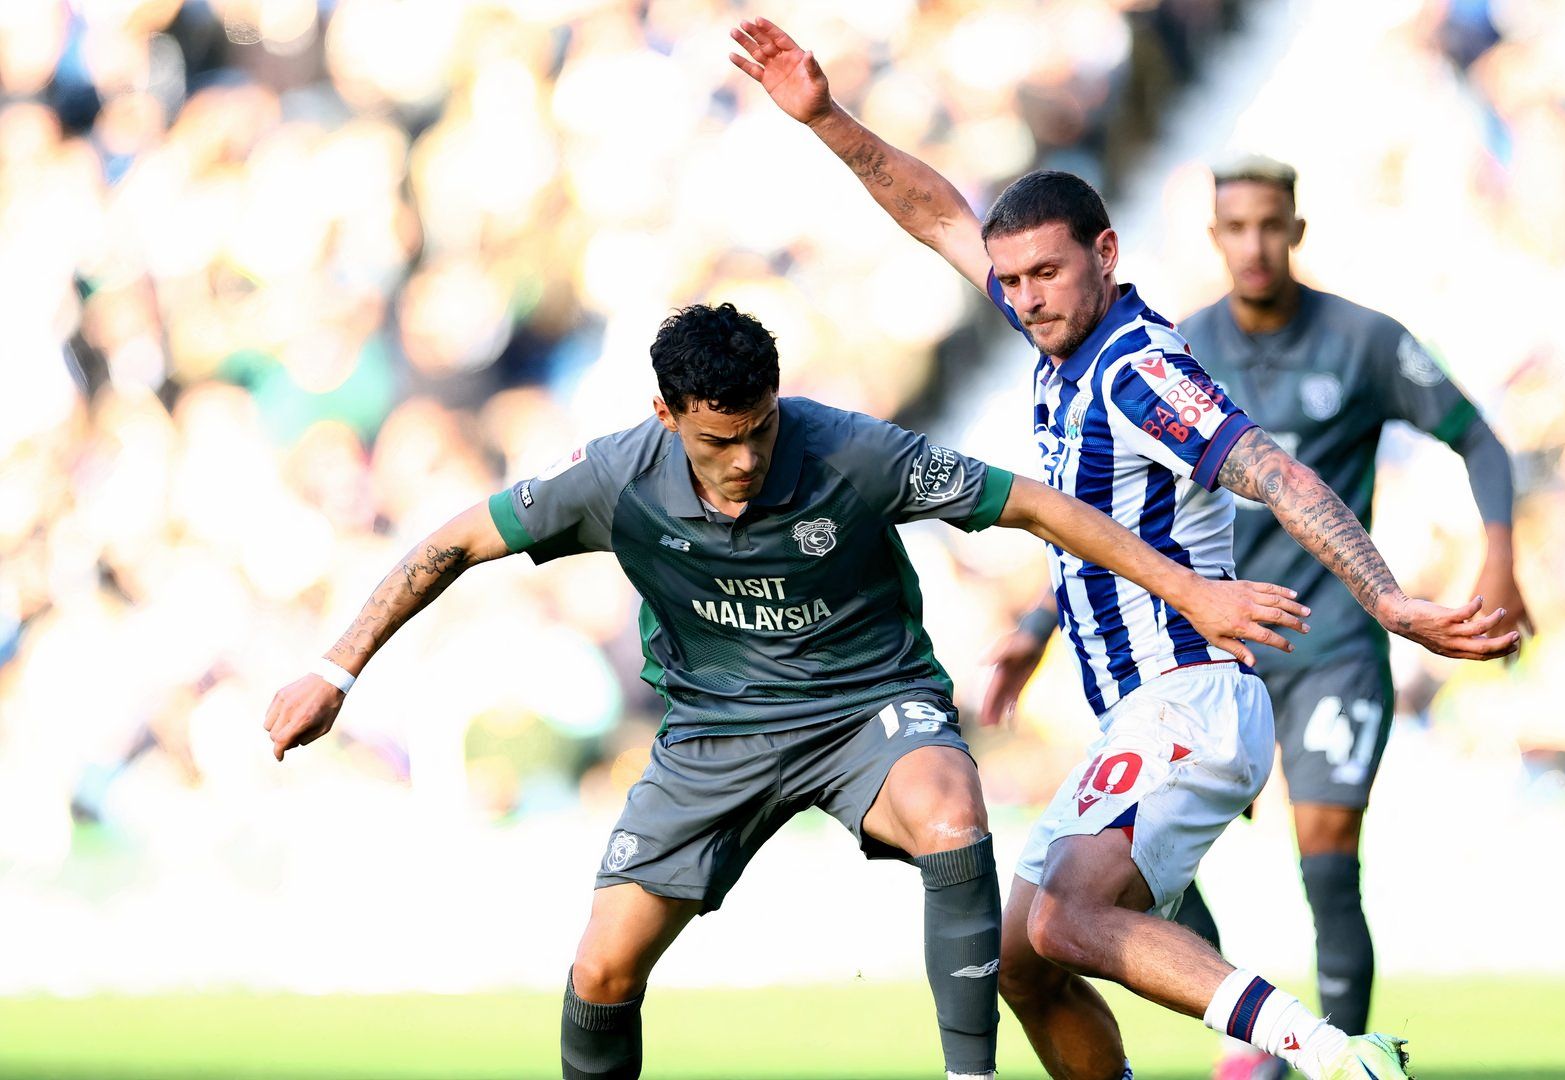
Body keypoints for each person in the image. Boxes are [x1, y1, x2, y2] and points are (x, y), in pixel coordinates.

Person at [731, 19, 1517, 1080]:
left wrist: (1389, 601)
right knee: (1017, 956)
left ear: (1105, 255)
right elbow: (939, 216)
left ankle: (1322, 1051)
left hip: (1191, 699)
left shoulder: (1138, 368)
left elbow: (1273, 471)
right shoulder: (1056, 330)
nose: (1023, 297)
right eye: (1010, 282)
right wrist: (827, 119)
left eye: (1044, 274)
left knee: (1060, 922)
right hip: (1142, 707)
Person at [261, 303, 1305, 1080]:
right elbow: (452, 542)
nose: (750, 456)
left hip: (870, 710)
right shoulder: (614, 476)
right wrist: (335, 668)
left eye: (761, 427)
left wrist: (1189, 590)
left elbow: (1032, 505)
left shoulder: (850, 449)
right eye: (722, 439)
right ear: (665, 414)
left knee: (950, 810)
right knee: (603, 974)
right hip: (713, 735)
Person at [999, 155, 1534, 1079]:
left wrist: (1434, 581)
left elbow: (1428, 446)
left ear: (1295, 228)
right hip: (1197, 646)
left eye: (1268, 225)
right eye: (1233, 227)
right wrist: (1037, 629)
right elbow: (1112, 524)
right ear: (1214, 238)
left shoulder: (1345, 344)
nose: (1252, 244)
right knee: (1033, 946)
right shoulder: (1150, 336)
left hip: (1306, 640)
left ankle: (1323, 1051)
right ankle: (1272, 1040)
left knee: (1319, 853)